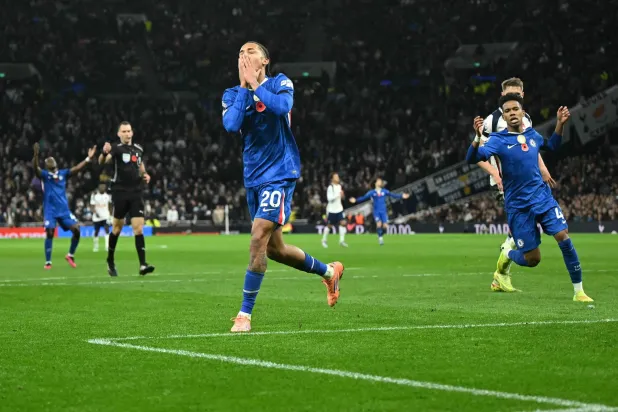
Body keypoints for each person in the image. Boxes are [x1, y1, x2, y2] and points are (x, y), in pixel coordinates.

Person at [222, 41, 344, 333]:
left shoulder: (280, 83)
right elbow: (231, 124)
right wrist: (244, 87)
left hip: (280, 172)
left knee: (257, 236)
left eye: (250, 52)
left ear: (265, 60)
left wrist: (255, 84)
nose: (243, 56)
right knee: (275, 249)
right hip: (253, 177)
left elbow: (283, 107)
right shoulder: (231, 94)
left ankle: (244, 315)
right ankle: (329, 271)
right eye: (240, 53)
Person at [466, 93, 593, 302]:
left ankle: (579, 291)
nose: (512, 113)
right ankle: (508, 254)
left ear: (522, 113)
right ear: (504, 118)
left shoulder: (533, 135)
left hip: (542, 198)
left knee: (563, 236)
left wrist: (560, 124)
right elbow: (472, 159)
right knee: (533, 259)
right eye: (507, 111)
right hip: (518, 207)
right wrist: (478, 137)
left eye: (515, 109)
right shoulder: (497, 141)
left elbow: (551, 146)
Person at [477, 77, 556, 292]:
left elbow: (530, 146)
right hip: (507, 182)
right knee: (521, 224)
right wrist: (496, 174)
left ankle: (501, 273)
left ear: (523, 95)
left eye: (518, 95)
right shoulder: (491, 122)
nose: (514, 99)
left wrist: (543, 169)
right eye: (509, 95)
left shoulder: (525, 118)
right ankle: (502, 270)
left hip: (528, 179)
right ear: (502, 97)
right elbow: (477, 154)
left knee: (525, 225)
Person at [98, 121, 154, 277]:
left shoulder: (138, 149)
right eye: (124, 131)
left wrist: (145, 175)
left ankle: (143, 264)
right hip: (120, 192)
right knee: (117, 228)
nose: (127, 134)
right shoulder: (115, 149)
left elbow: (140, 165)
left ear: (132, 132)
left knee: (138, 228)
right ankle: (110, 260)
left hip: (136, 192)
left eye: (129, 131)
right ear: (119, 134)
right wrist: (103, 152)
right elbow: (101, 162)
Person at [32, 142, 96, 269]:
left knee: (77, 230)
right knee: (50, 232)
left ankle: (70, 255)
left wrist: (88, 159)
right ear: (47, 166)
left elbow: (77, 168)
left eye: (52, 159)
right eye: (48, 160)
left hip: (64, 210)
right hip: (50, 210)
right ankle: (48, 262)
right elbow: (35, 169)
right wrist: (35, 155)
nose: (51, 160)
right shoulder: (45, 175)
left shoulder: (63, 173)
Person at [349, 178, 410, 245]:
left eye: (381, 181)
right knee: (379, 224)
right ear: (375, 183)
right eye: (379, 181)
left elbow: (393, 195)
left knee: (385, 226)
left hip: (383, 211)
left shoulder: (385, 191)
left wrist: (402, 196)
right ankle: (380, 239)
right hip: (376, 211)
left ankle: (380, 234)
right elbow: (363, 197)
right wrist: (356, 200)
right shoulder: (372, 192)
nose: (380, 182)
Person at [322, 172, 348, 248]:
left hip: (339, 208)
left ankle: (341, 241)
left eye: (338, 176)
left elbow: (342, 198)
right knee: (329, 226)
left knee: (343, 223)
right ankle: (324, 240)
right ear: (332, 179)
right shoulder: (330, 187)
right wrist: (338, 194)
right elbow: (329, 199)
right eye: (336, 177)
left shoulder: (339, 186)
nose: (338, 178)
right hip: (332, 210)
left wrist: (342, 196)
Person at [90, 183, 112, 252]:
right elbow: (92, 206)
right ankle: (96, 246)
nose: (102, 188)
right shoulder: (94, 196)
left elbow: (110, 206)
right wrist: (95, 213)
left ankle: (107, 246)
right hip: (97, 217)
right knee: (96, 231)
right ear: (98, 188)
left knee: (107, 230)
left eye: (104, 187)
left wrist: (110, 215)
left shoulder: (108, 196)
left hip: (105, 216)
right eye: (101, 187)